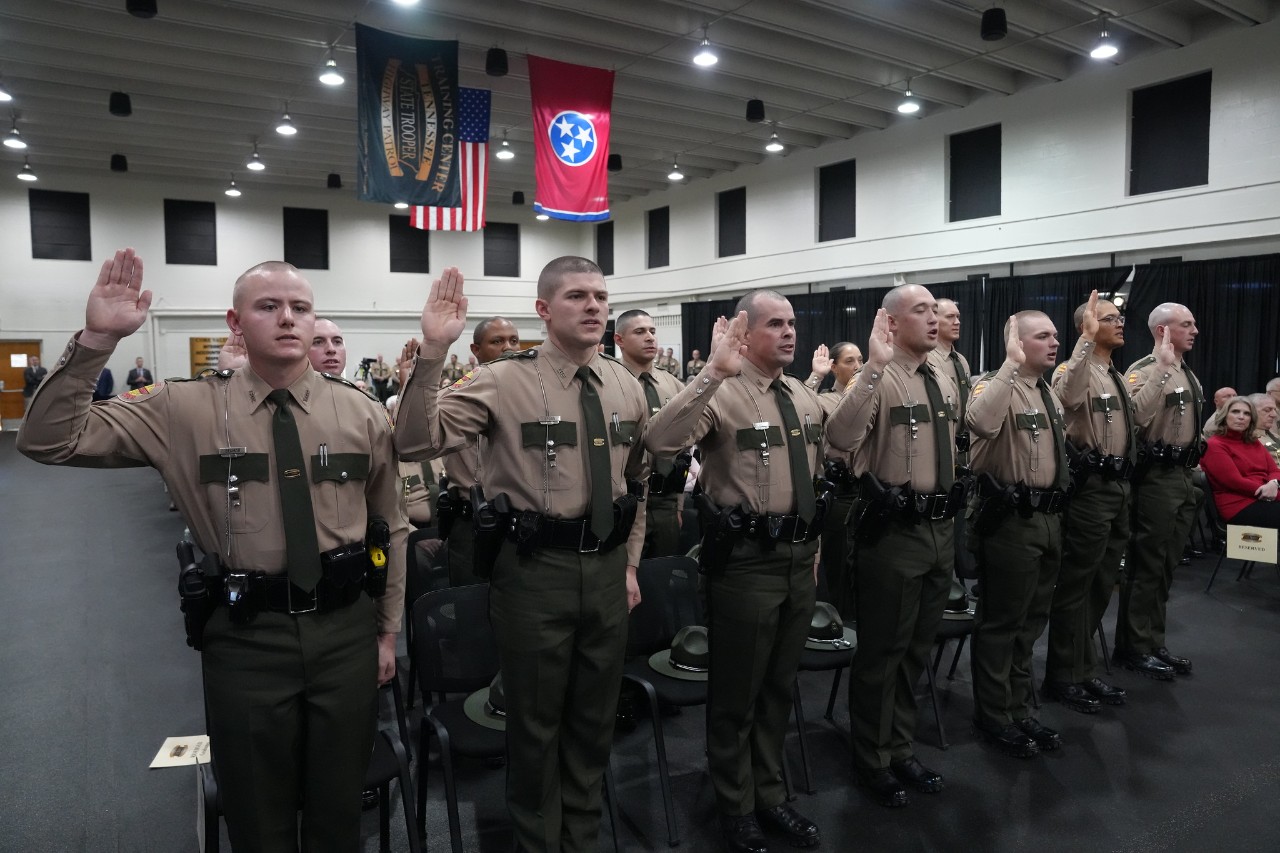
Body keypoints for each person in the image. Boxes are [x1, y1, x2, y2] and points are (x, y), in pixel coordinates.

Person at [17, 249, 408, 852]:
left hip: (345, 633)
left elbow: (391, 524)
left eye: (300, 308)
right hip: (248, 638)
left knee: (339, 811)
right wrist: (97, 340)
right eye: (268, 306)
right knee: (256, 813)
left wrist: (386, 631)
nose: (287, 319)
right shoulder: (182, 408)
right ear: (235, 321)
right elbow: (48, 440)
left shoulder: (358, 411)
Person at [395, 257, 647, 853]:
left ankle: (581, 836)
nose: (593, 307)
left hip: (607, 570)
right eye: (576, 296)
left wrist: (632, 563)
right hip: (536, 571)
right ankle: (536, 840)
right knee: (534, 724)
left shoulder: (624, 384)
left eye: (600, 297)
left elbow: (636, 484)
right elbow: (412, 441)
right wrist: (433, 352)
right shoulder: (504, 380)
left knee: (593, 718)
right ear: (544, 310)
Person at [645, 290, 830, 852]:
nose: (790, 333)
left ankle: (770, 795)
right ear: (745, 334)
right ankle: (736, 803)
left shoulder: (800, 394)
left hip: (799, 557)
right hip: (746, 565)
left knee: (779, 687)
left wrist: (815, 546)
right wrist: (710, 373)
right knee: (738, 692)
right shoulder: (720, 393)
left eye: (792, 323)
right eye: (776, 324)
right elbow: (659, 440)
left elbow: (821, 465)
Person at [826, 284, 961, 808]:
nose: (933, 319)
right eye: (920, 311)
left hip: (939, 530)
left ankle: (899, 745)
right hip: (894, 533)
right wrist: (873, 369)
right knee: (883, 652)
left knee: (916, 651)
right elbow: (840, 437)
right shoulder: (877, 377)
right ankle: (872, 757)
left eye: (936, 311)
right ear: (890, 322)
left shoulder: (942, 376)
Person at [965, 311, 1068, 758]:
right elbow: (981, 424)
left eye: (1055, 335)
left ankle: (1020, 707)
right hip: (1010, 521)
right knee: (1002, 622)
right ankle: (993, 714)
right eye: (1042, 336)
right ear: (1017, 342)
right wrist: (1008, 365)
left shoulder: (1046, 392)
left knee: (1031, 622)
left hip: (1048, 519)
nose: (1054, 342)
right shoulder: (995, 384)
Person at [1044, 293, 1139, 714]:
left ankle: (1082, 668)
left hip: (1118, 488)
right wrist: (1082, 343)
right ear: (1088, 326)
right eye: (1109, 318)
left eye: (1120, 317)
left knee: (1102, 583)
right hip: (1091, 491)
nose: (1119, 323)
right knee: (1077, 584)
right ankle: (1062, 675)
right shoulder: (1075, 367)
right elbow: (1064, 398)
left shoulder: (1114, 373)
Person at [1118, 302, 1205, 679]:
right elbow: (1134, 419)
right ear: (1162, 331)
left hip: (1183, 477)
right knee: (1147, 564)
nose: (1195, 330)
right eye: (1186, 324)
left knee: (1167, 565)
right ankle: (1134, 646)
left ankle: (1154, 640)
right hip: (1155, 478)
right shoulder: (1144, 372)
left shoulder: (1187, 373)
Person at [434, 315, 522, 586]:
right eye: (497, 341)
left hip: (516, 524)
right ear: (476, 350)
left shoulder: (529, 398)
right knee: (471, 608)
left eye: (514, 340)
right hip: (471, 520)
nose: (508, 347)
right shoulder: (456, 398)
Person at [614, 309, 687, 559]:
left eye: (653, 331)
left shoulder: (673, 385)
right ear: (619, 340)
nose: (650, 338)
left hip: (665, 500)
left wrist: (678, 504)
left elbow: (682, 447)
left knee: (663, 581)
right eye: (640, 332)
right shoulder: (611, 383)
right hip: (627, 501)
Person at [807, 341, 862, 617]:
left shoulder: (869, 397)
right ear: (834, 367)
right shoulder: (824, 399)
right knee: (839, 569)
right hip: (840, 493)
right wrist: (816, 377)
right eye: (849, 361)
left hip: (867, 491)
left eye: (860, 360)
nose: (857, 367)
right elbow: (798, 407)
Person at [928, 297, 976, 615]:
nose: (957, 321)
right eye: (950, 316)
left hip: (962, 454)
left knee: (959, 530)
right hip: (939, 455)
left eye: (959, 316)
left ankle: (954, 591)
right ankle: (941, 595)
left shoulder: (960, 361)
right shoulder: (930, 361)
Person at [1200, 397, 1280, 527]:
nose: (1241, 417)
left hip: (1265, 497)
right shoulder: (1215, 445)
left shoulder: (1253, 442)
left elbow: (1274, 470)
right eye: (1235, 412)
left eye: (1247, 413)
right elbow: (1234, 481)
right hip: (1238, 505)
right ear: (1225, 416)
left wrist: (1274, 483)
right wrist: (1271, 493)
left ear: (1251, 419)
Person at [1248, 392, 1280, 466]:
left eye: (1274, 410)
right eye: (1267, 410)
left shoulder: (1276, 436)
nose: (1274, 415)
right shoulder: (1244, 438)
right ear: (1251, 411)